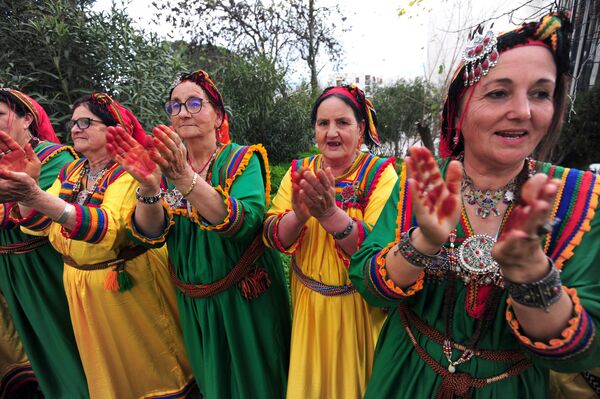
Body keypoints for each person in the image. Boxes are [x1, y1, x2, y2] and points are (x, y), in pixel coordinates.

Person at [350, 12, 600, 398]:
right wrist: (422, 243)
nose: (523, 111)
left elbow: (580, 350)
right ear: (457, 108)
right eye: (499, 92)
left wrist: (532, 276)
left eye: (540, 93)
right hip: (406, 375)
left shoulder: (577, 198)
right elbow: (370, 286)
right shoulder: (424, 181)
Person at [107, 69, 291, 398]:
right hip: (194, 302)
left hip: (244, 298)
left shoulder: (241, 159)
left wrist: (184, 178)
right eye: (175, 106)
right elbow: (152, 232)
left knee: (258, 381)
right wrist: (149, 187)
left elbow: (244, 222)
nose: (184, 112)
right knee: (213, 381)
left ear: (218, 115)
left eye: (194, 103)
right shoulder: (164, 168)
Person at [0, 92, 195, 398]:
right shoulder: (72, 172)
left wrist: (35, 195)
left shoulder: (130, 173)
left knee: (151, 366)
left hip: (128, 286)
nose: (75, 128)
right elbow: (37, 225)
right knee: (107, 373)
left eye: (86, 122)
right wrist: (29, 193)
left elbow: (109, 228)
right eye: (74, 122)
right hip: (84, 292)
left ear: (114, 129)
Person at [263, 84, 398, 398]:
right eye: (323, 124)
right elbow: (272, 235)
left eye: (343, 123)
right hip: (310, 305)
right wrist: (298, 215)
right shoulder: (299, 172)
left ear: (361, 129)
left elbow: (380, 252)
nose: (332, 132)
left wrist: (329, 215)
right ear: (314, 131)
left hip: (359, 309)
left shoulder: (380, 175)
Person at [0, 89, 88, 398]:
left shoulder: (56, 158)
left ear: (27, 120)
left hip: (46, 268)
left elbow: (28, 210)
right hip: (11, 274)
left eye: (0, 116)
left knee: (66, 347)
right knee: (35, 359)